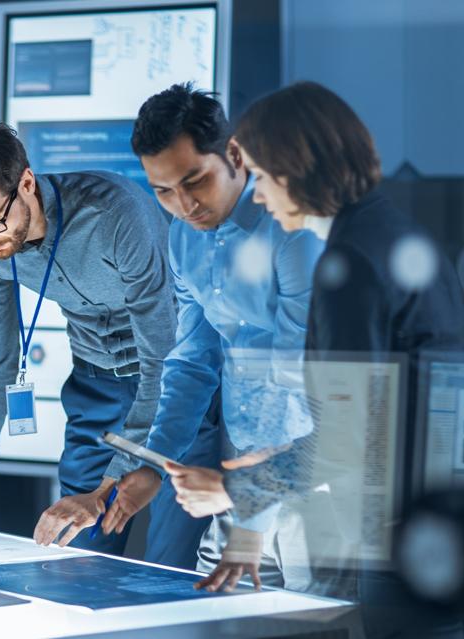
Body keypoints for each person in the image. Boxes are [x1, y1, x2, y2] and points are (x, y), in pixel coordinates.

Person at [0, 121, 203, 564]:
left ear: (26, 183)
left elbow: (162, 360)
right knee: (76, 558)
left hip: (173, 391)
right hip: (95, 391)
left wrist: (108, 488)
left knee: (171, 562)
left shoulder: (114, 215)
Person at [232, 81, 464, 636]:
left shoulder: (351, 263)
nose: (260, 197)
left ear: (294, 168)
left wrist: (245, 487)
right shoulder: (395, 234)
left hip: (399, 526)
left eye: (262, 178)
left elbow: (350, 434)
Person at [97, 83, 326, 586]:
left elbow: (294, 380)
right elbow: (190, 364)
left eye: (194, 181)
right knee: (213, 618)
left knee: (321, 622)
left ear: (235, 154)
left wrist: (248, 504)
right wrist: (154, 465)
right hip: (240, 480)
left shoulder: (292, 232)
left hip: (307, 480)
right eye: (162, 191)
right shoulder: (184, 238)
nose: (183, 205)